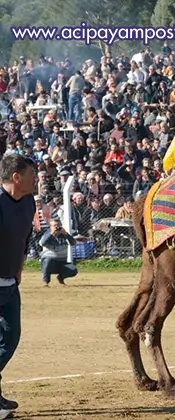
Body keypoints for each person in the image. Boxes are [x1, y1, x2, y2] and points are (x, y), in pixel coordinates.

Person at [0, 154, 37, 418]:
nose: (35, 179)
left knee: (10, 338)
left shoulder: (28, 202)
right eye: (31, 174)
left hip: (10, 283)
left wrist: (20, 267)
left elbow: (25, 239)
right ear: (16, 177)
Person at [39, 219, 78, 287]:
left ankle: (60, 278)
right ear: (50, 227)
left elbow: (73, 243)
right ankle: (45, 282)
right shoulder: (47, 234)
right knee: (48, 260)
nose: (57, 227)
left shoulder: (64, 235)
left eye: (58, 225)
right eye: (54, 226)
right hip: (49, 263)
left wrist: (66, 234)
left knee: (73, 270)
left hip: (61, 262)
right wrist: (52, 234)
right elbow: (42, 243)